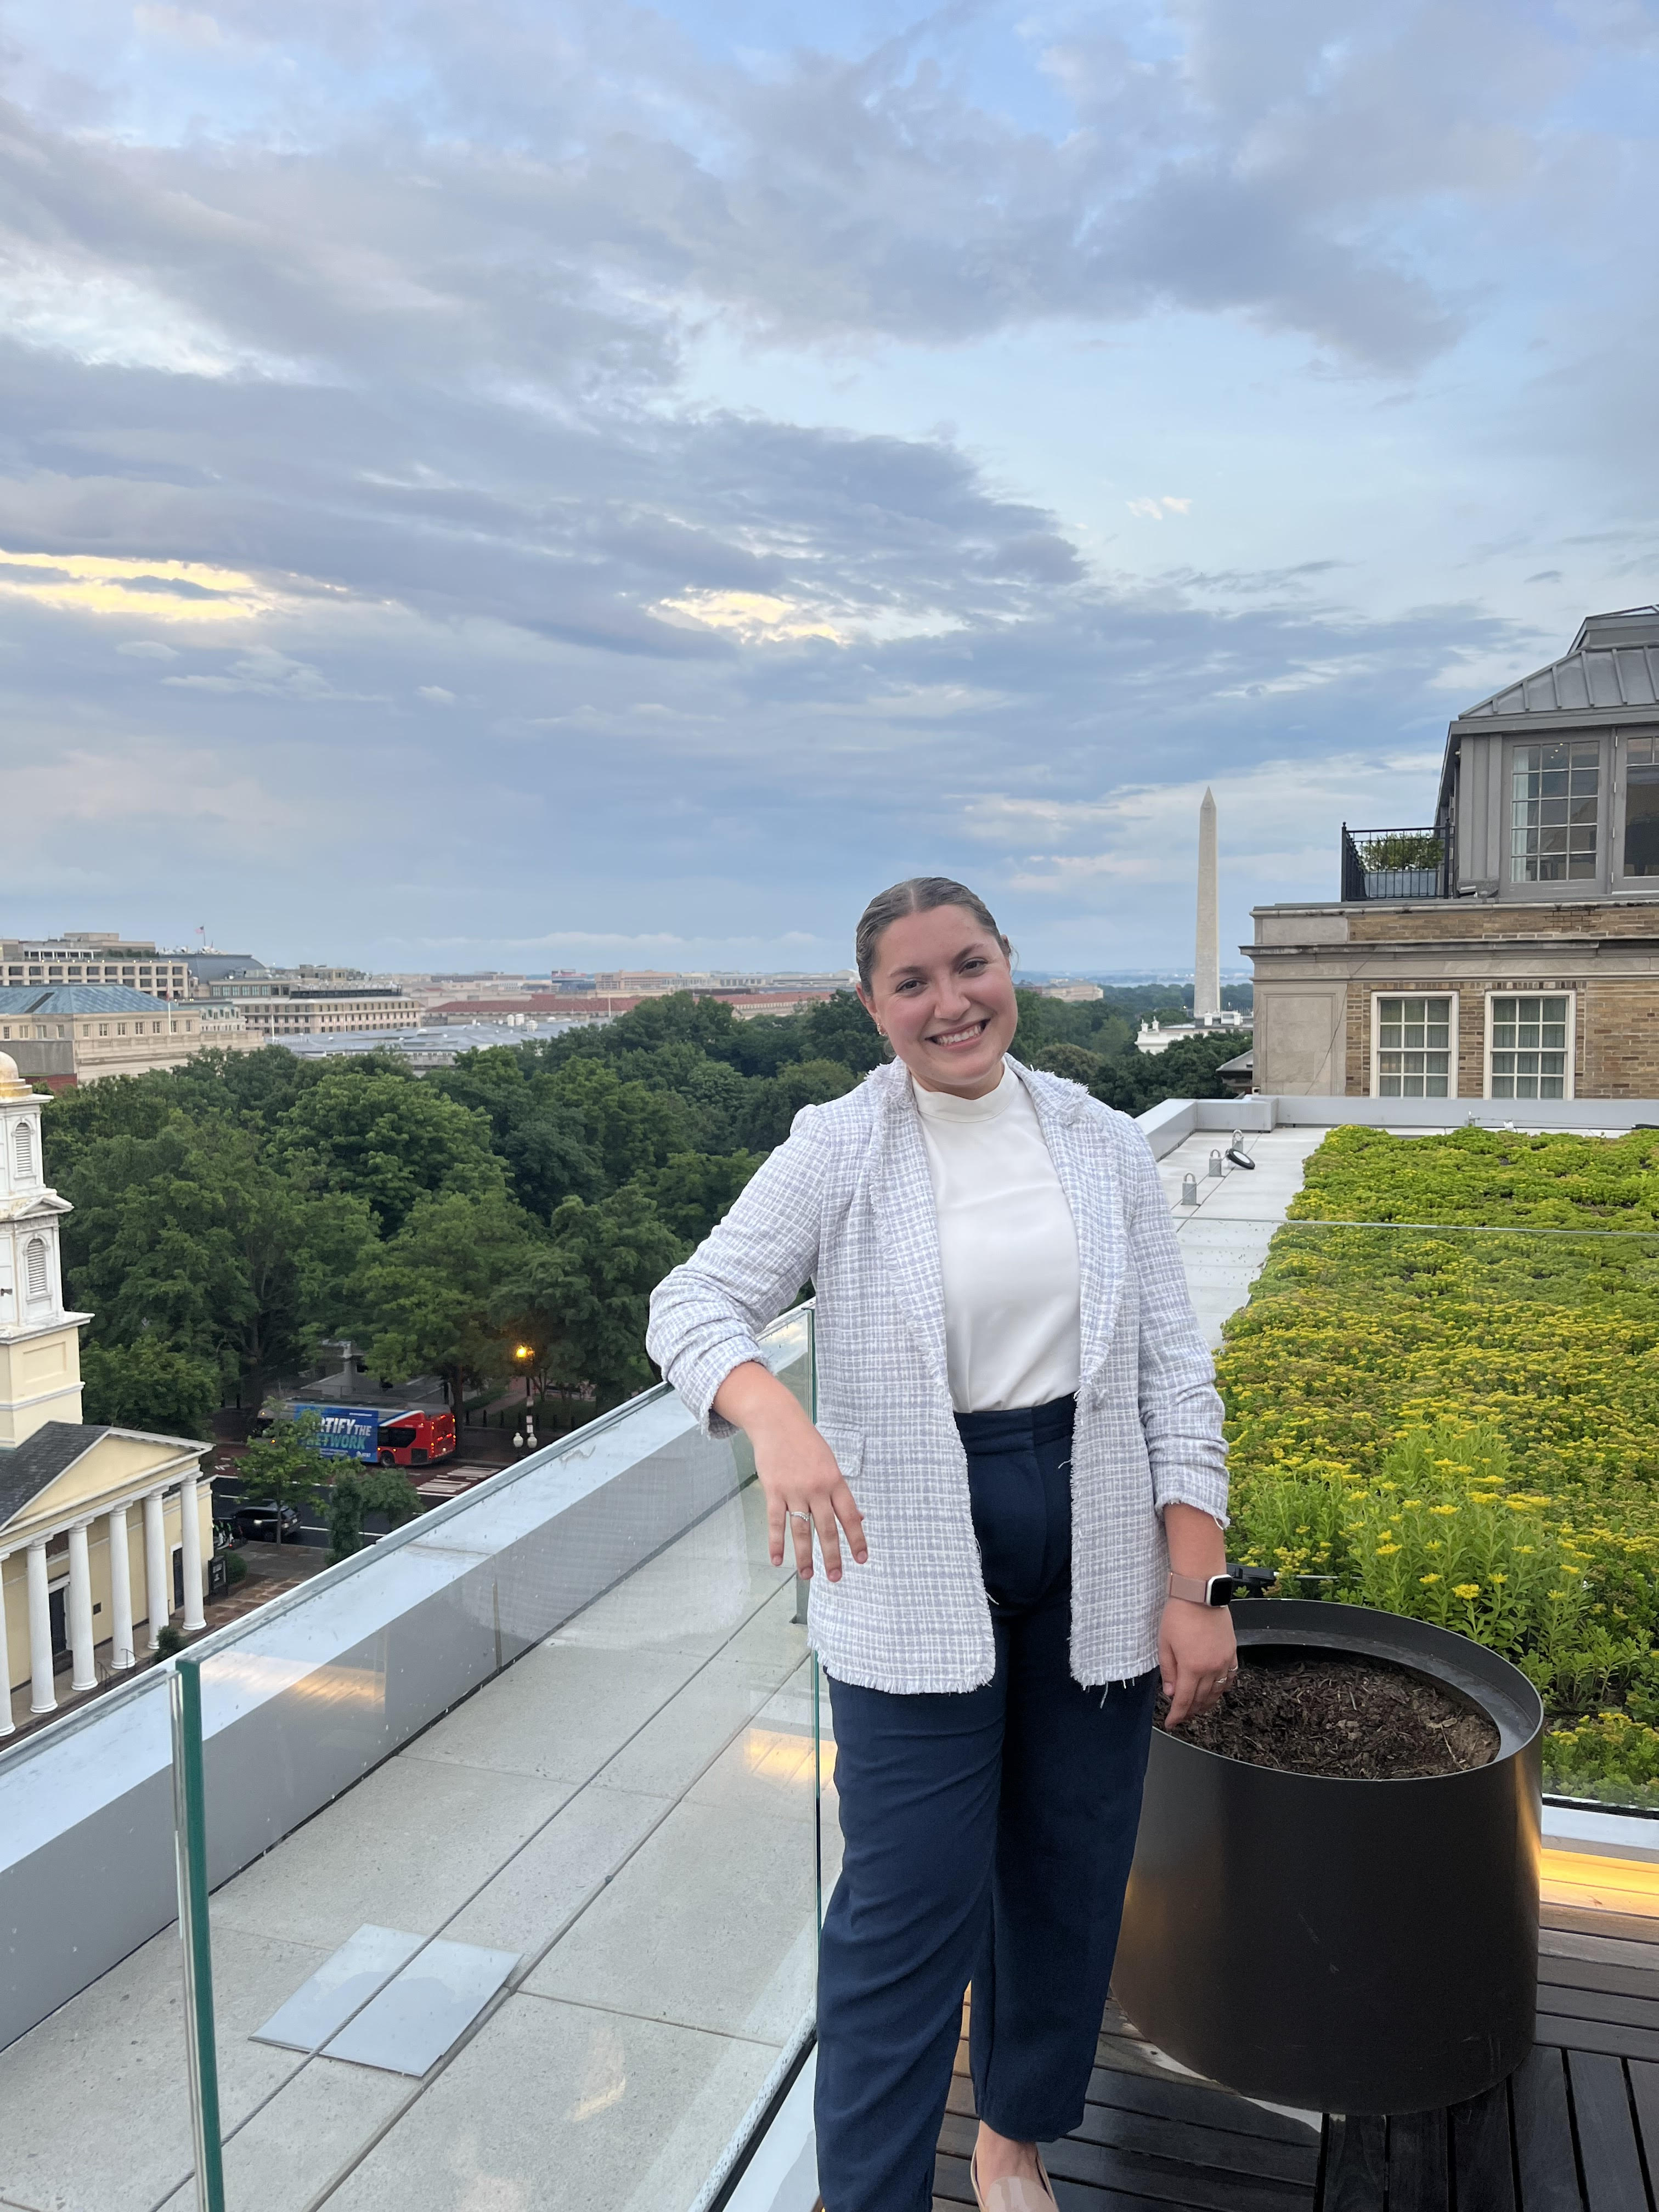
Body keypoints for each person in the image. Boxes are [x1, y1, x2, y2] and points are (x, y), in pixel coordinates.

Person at [647, 878, 1234, 2212]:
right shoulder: (841, 1146)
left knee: (1069, 1873)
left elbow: (1171, 1376)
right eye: (911, 984)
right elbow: (695, 1302)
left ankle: (1016, 2134)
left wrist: (1195, 1583)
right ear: (872, 1007)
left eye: (969, 967)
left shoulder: (1095, 1140)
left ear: (1009, 968)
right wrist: (776, 1417)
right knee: (903, 1916)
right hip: (906, 1553)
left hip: (1093, 1534)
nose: (949, 1002)